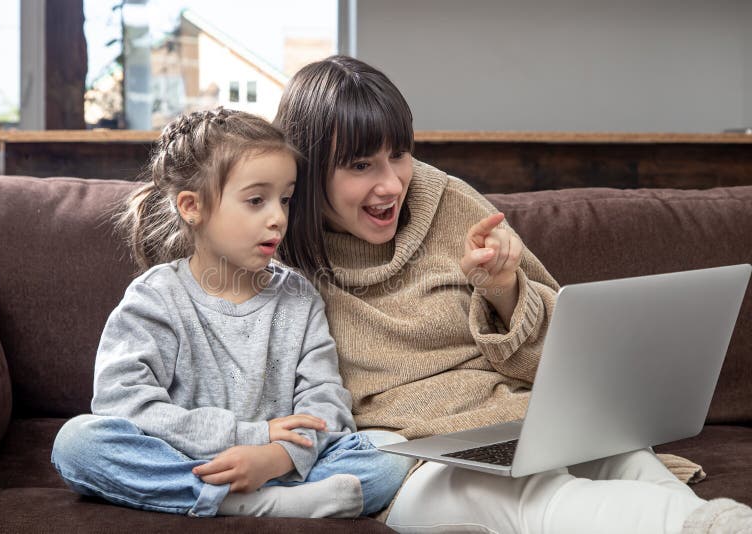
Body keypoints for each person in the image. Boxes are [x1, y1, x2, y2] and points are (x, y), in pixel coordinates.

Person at [273, 55, 752, 533]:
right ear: (310, 173)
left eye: (399, 154)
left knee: (631, 461)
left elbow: (566, 364)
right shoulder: (272, 249)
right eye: (361, 165)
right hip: (410, 460)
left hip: (522, 426)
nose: (392, 183)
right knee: (532, 497)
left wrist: (505, 292)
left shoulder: (446, 201)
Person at [50, 107, 414, 519]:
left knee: (389, 452)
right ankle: (236, 502)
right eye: (256, 200)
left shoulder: (299, 297)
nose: (277, 218)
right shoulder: (155, 298)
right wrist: (249, 437)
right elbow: (125, 406)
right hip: (190, 463)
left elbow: (325, 404)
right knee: (77, 444)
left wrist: (275, 457)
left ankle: (249, 499)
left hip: (284, 468)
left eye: (285, 199)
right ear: (192, 206)